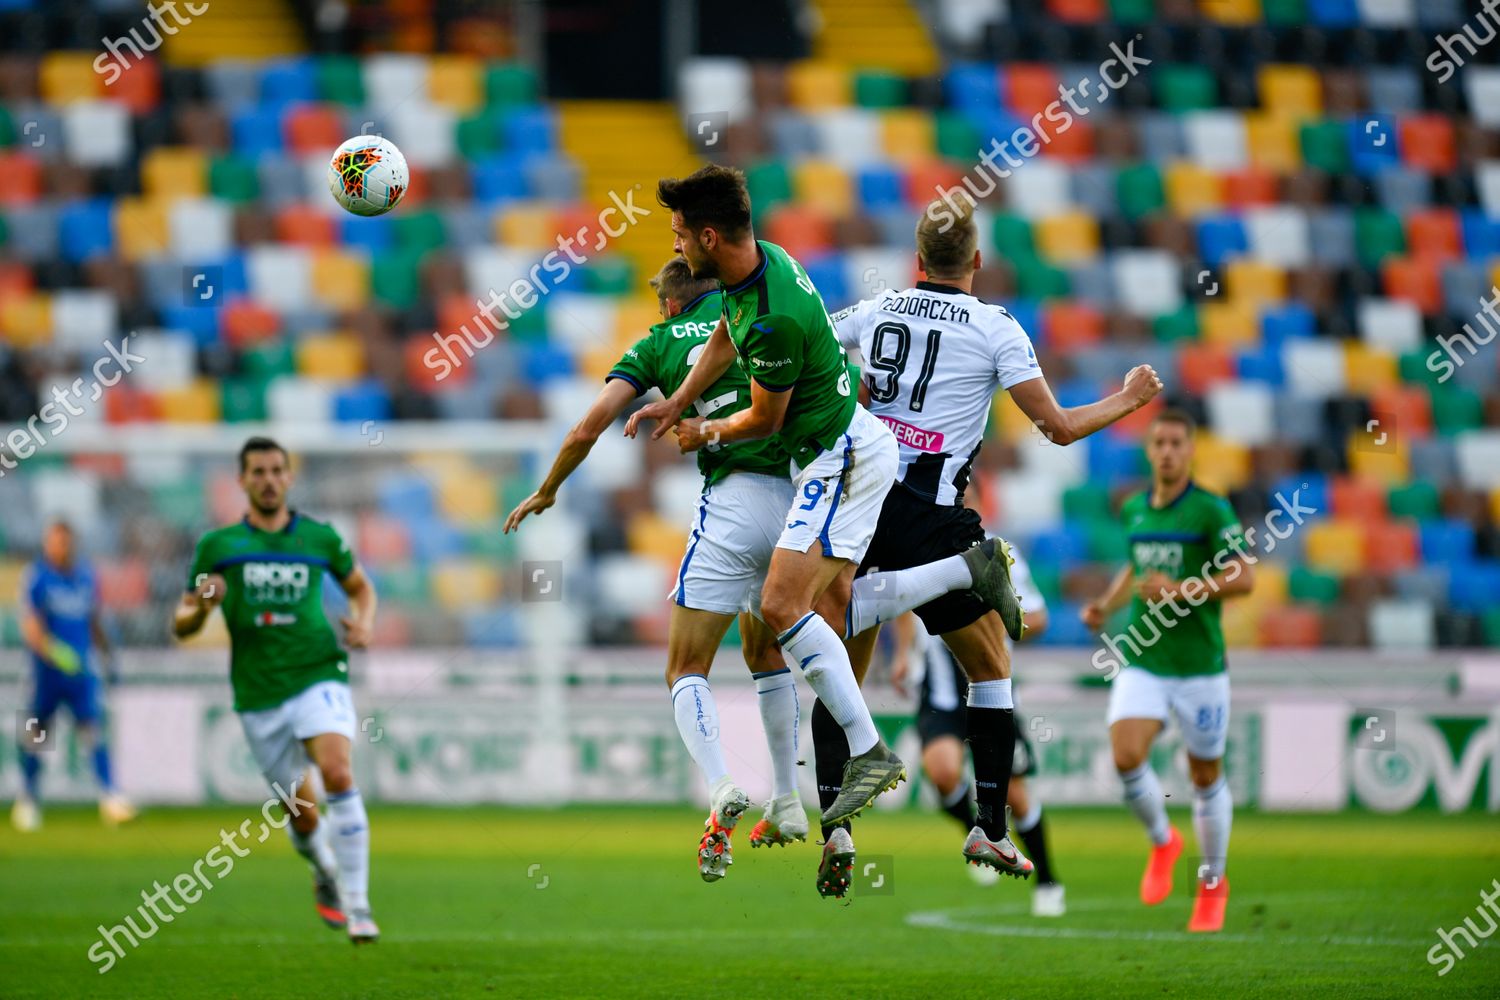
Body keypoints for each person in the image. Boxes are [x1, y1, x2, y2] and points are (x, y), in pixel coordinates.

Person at [626, 167, 1023, 898]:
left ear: (711, 238)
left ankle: (859, 774)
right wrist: (680, 398)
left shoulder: (821, 308)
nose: (678, 246)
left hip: (854, 461)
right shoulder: (765, 271)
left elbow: (771, 410)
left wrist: (703, 426)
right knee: (822, 621)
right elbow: (722, 336)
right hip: (874, 473)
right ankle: (882, 805)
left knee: (790, 613)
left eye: (683, 235)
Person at [819, 193, 1162, 893]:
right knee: (992, 664)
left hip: (860, 507)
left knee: (841, 669)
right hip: (934, 517)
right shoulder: (993, 325)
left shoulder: (876, 309)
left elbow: (814, 350)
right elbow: (1058, 428)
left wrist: (853, 397)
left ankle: (837, 825)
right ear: (976, 260)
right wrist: (1128, 398)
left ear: (915, 262)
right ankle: (991, 826)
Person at [173, 437, 381, 943]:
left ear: (289, 478)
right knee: (303, 814)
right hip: (258, 691)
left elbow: (360, 586)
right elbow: (180, 623)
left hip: (317, 671)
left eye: (276, 471)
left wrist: (365, 621)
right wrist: (202, 604)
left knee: (336, 770)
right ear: (242, 481)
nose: (268, 480)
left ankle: (358, 906)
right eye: (258, 472)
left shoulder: (320, 538)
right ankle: (324, 870)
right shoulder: (218, 547)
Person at [1081, 409, 1254, 933]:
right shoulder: (1135, 508)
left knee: (1205, 777)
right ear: (1149, 450)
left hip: (1200, 666)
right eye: (1159, 442)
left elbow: (1244, 577)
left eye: (1177, 442)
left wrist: (1180, 591)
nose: (1167, 451)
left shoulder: (1209, 510)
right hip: (1145, 658)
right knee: (1126, 754)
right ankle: (1163, 841)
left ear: (1191, 449)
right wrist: (1107, 605)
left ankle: (1212, 883)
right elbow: (1137, 565)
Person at [893, 545, 1065, 916]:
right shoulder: (921, 542)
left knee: (1016, 796)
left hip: (991, 684)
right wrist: (902, 654)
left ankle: (1049, 879)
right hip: (941, 693)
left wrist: (990, 622)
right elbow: (903, 601)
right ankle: (983, 837)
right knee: (941, 773)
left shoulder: (999, 551)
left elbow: (1038, 618)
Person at [12, 520, 136, 832]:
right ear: (47, 544)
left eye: (66, 542)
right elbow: (30, 625)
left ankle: (111, 798)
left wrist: (107, 655)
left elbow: (94, 619)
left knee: (93, 732)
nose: (62, 548)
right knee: (37, 737)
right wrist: (54, 652)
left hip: (80, 673)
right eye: (56, 542)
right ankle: (28, 799)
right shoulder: (37, 578)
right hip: (45, 675)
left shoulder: (85, 577)